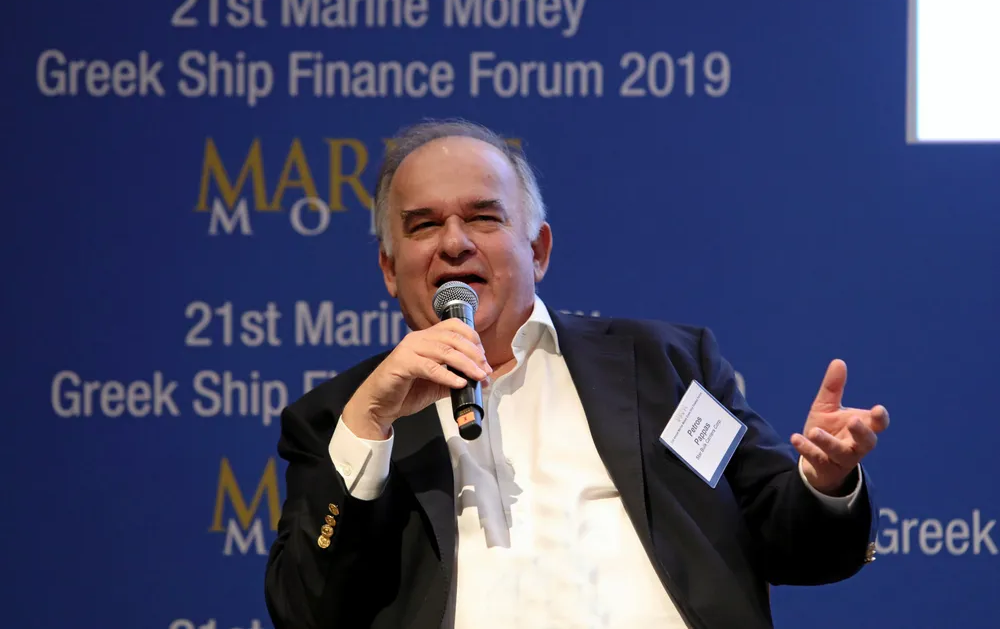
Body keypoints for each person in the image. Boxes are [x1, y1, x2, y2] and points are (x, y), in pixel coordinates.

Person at [263, 119, 890, 629]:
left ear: (538, 250)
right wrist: (370, 424)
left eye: (483, 217)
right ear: (388, 269)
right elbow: (304, 611)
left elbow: (794, 543)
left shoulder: (663, 366)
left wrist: (823, 482)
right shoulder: (342, 419)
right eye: (424, 225)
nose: (454, 243)